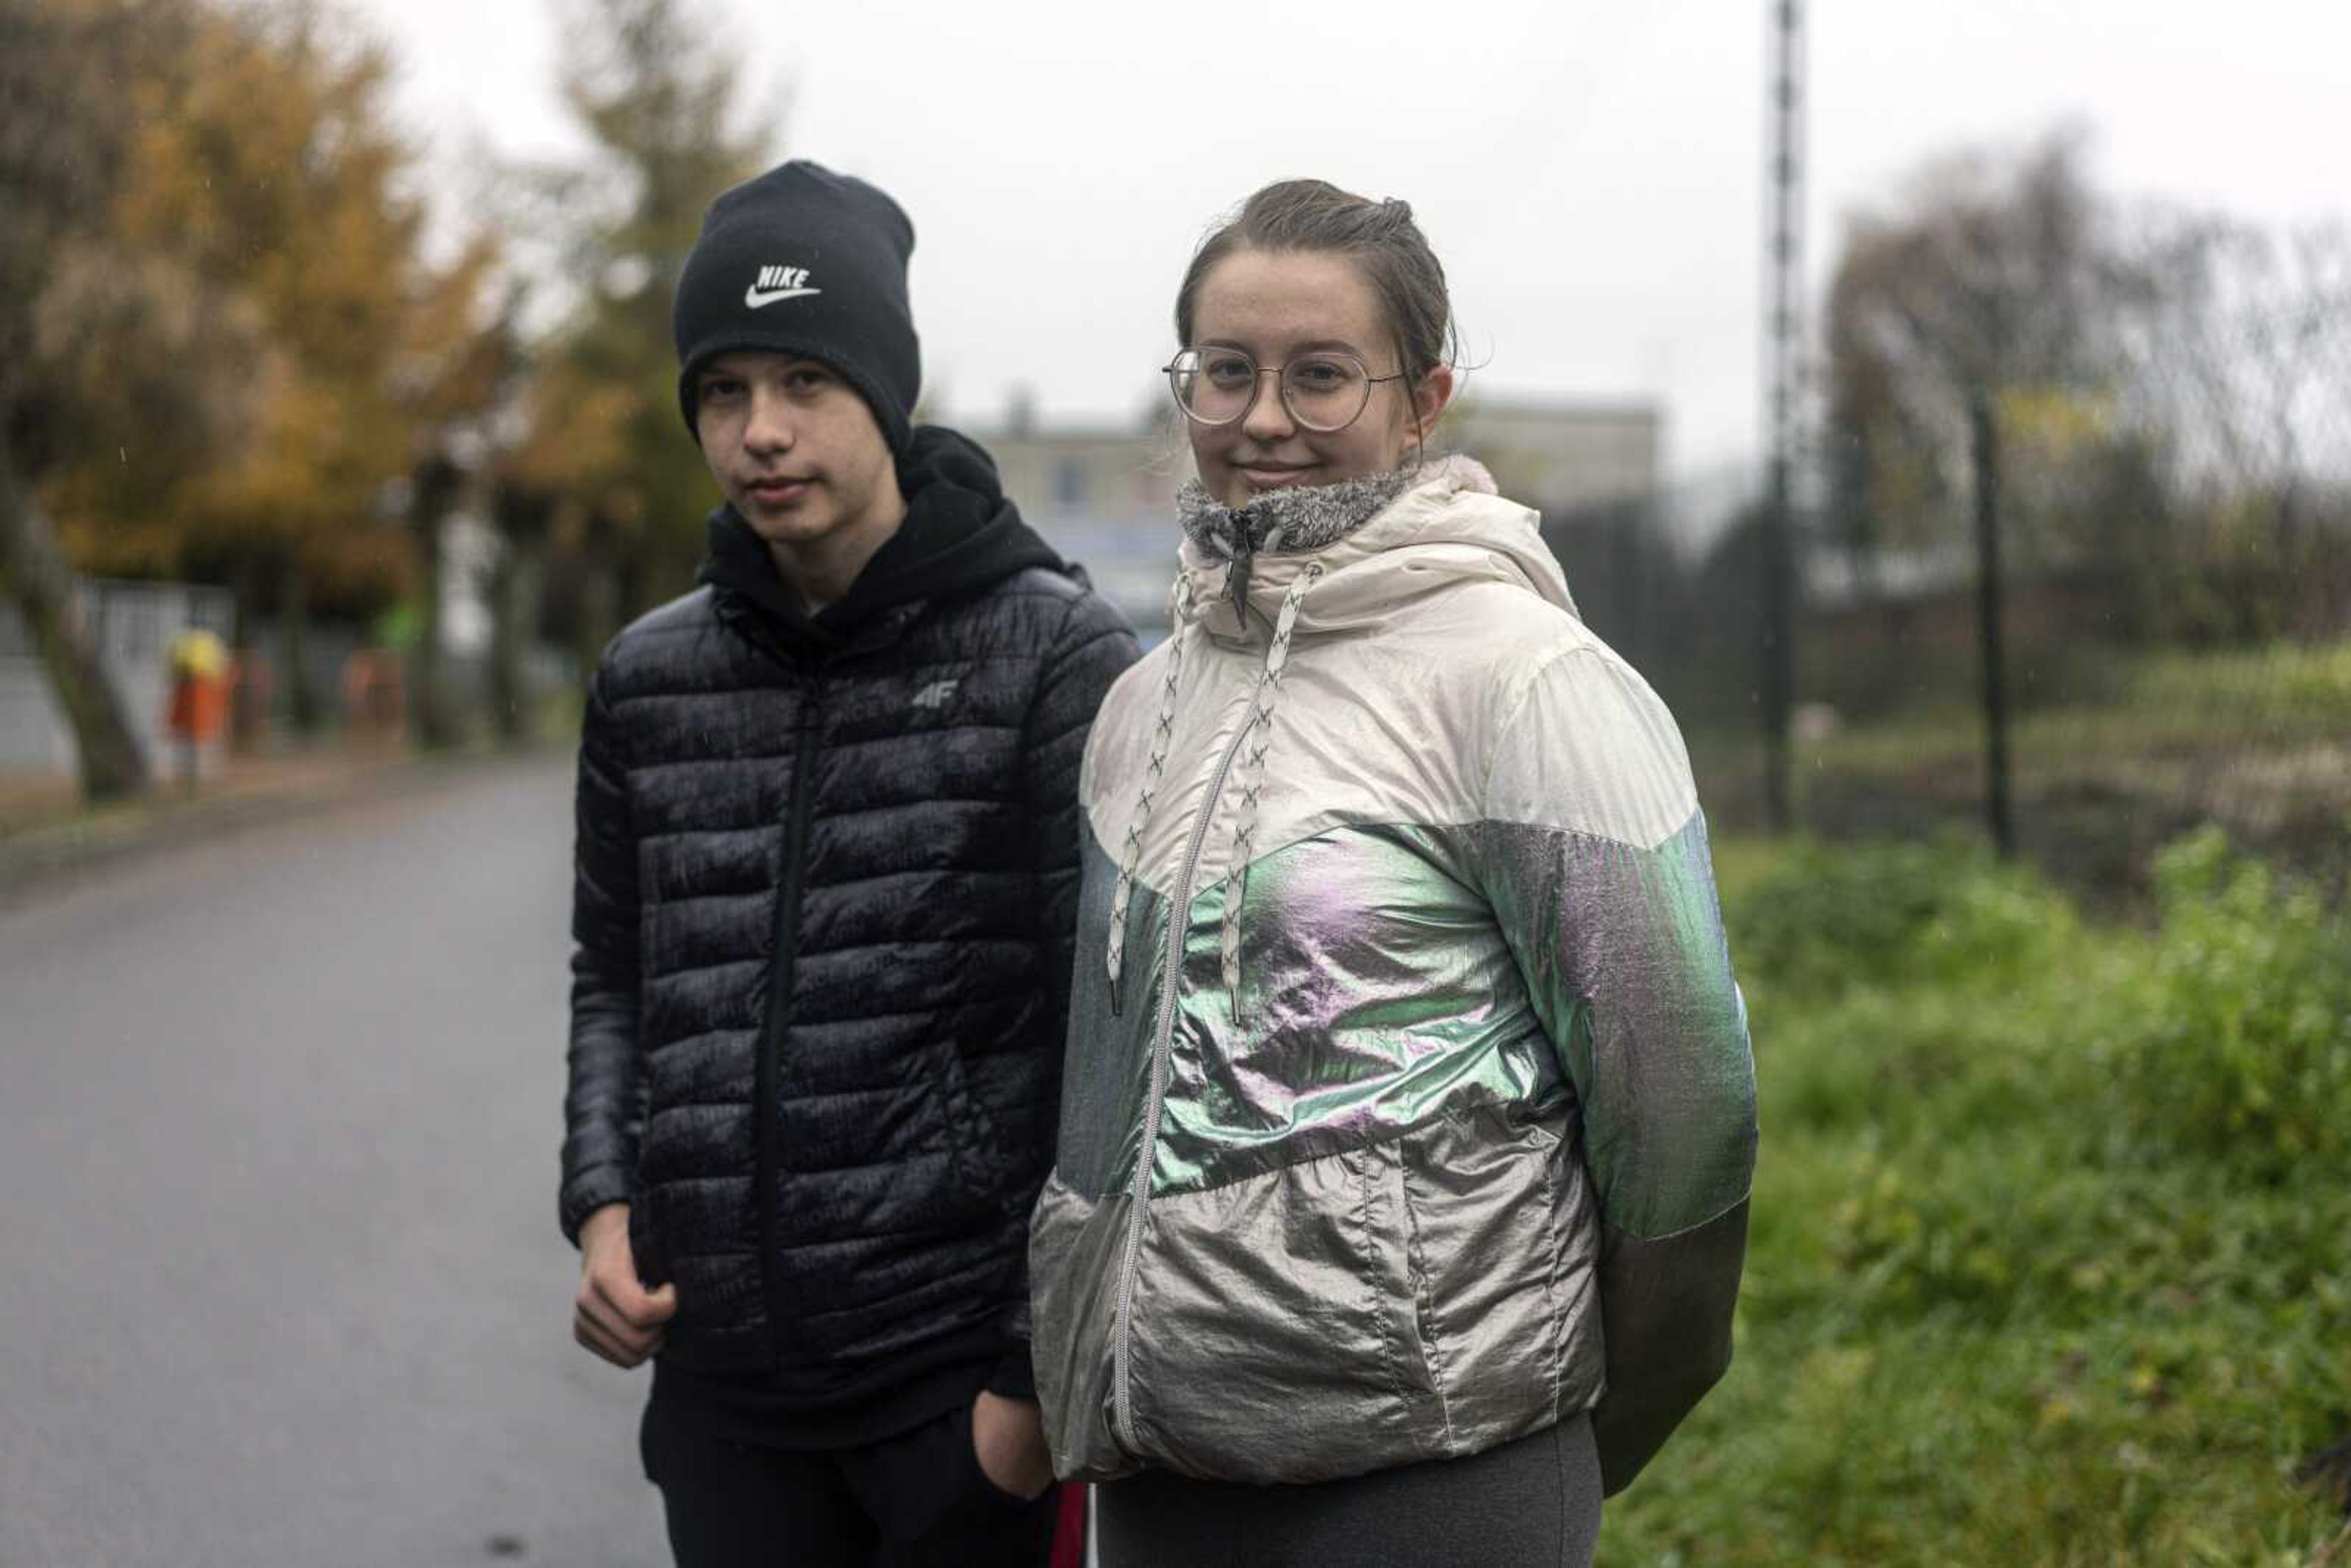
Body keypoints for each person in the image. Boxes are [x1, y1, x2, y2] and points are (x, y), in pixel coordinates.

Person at [1025, 179, 1760, 1567]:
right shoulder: (1142, 708)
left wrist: (1590, 1429)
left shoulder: (1526, 683)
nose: (1261, 418)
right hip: (1163, 1466)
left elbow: (1686, 1115)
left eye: (1321, 375)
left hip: (1437, 1476)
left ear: (1421, 403)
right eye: (1225, 372)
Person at [560, 160, 1139, 1567]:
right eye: (723, 391)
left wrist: (1023, 1389)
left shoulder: (1056, 657)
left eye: (806, 382)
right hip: (724, 1399)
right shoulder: (649, 679)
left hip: (952, 1396)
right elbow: (616, 979)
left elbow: (1117, 1045)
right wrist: (601, 1201)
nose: (762, 432)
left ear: (885, 392)